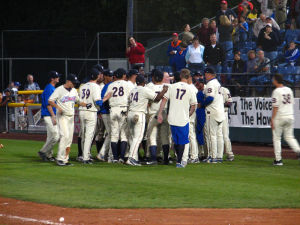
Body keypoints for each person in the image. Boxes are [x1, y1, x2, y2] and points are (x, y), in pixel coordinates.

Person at [157, 69, 197, 168]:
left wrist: (160, 113)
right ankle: (180, 161)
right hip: (183, 117)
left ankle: (179, 160)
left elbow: (164, 100)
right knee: (183, 141)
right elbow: (194, 106)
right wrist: (189, 114)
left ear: (180, 76)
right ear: (188, 77)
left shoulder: (172, 86)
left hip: (172, 117)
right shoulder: (191, 88)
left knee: (176, 141)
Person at [126, 75, 168, 166]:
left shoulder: (133, 90)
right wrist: (164, 91)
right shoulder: (144, 89)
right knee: (138, 138)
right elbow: (157, 98)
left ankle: (134, 158)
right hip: (138, 114)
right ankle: (131, 158)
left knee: (133, 137)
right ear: (143, 82)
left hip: (130, 113)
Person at [48, 74, 88, 166]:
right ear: (68, 81)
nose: (75, 84)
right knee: (65, 136)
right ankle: (59, 158)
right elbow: (50, 100)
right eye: (73, 82)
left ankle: (65, 159)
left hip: (71, 117)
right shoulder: (59, 89)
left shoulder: (74, 90)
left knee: (69, 139)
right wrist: (58, 107)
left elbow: (78, 101)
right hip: (62, 116)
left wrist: (86, 105)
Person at [78, 69, 112, 164]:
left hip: (81, 111)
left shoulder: (83, 86)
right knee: (89, 135)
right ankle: (85, 158)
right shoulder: (96, 86)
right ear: (96, 76)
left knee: (84, 135)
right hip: (90, 112)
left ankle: (85, 155)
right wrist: (106, 97)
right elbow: (98, 101)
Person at [271, 74, 300, 166]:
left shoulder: (276, 91)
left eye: (273, 79)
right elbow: (292, 103)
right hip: (290, 116)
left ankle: (278, 160)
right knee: (289, 137)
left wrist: (272, 119)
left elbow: (275, 107)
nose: (272, 81)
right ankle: (298, 150)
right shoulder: (289, 89)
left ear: (276, 80)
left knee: (277, 138)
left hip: (280, 117)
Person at [106, 68, 131, 163]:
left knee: (114, 135)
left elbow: (107, 97)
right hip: (123, 109)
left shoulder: (111, 85)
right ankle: (121, 157)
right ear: (124, 75)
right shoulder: (128, 84)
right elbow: (131, 97)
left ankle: (115, 158)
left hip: (113, 109)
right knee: (124, 135)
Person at [146, 70, 171, 165]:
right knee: (165, 137)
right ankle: (166, 159)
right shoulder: (169, 87)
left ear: (153, 77)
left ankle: (153, 158)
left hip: (154, 114)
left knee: (152, 136)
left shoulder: (149, 86)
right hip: (165, 113)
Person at [203, 68, 225, 163]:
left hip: (212, 112)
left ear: (209, 74)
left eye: (206, 74)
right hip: (220, 111)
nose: (205, 75)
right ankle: (219, 157)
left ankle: (213, 157)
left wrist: (202, 104)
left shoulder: (210, 84)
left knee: (211, 135)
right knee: (219, 135)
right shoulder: (218, 83)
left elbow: (210, 98)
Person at [38, 71, 60, 162]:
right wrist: (53, 116)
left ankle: (48, 155)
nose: (58, 78)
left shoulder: (52, 88)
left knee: (51, 136)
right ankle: (43, 151)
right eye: (57, 77)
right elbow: (48, 104)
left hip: (50, 115)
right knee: (55, 136)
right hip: (49, 115)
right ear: (52, 78)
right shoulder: (49, 88)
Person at [97, 70, 114, 162]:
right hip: (105, 112)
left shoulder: (109, 85)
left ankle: (104, 154)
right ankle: (103, 154)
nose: (111, 77)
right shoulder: (107, 86)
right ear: (105, 76)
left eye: (112, 75)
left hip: (106, 112)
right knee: (111, 133)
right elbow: (103, 99)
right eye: (109, 75)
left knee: (110, 133)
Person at [220, 86, 234, 161]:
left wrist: (219, 105)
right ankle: (218, 154)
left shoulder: (224, 90)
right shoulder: (209, 88)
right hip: (213, 114)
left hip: (223, 113)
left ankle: (230, 154)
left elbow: (230, 102)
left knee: (225, 135)